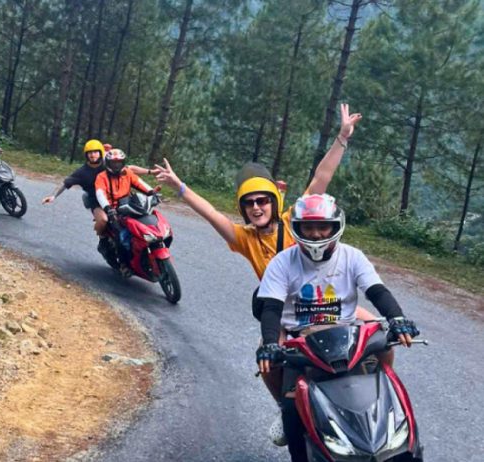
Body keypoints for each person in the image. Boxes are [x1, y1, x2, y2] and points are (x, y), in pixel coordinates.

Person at [153, 103, 367, 444]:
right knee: (266, 356)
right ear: (243, 208)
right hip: (284, 313)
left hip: (327, 300)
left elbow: (320, 180)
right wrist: (179, 186)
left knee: (377, 330)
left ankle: (378, 398)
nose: (256, 207)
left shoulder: (292, 219)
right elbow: (210, 213)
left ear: (273, 201)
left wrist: (342, 137)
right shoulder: (243, 239)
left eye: (262, 201)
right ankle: (286, 413)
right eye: (249, 203)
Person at [254, 193, 420, 462]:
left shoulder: (352, 257)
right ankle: (284, 410)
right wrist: (272, 343)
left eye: (323, 226)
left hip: (347, 334)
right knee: (272, 369)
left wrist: (397, 318)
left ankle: (383, 386)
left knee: (384, 341)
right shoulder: (282, 262)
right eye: (309, 227)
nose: (316, 234)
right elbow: (271, 308)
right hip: (300, 339)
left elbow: (377, 291)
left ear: (335, 226)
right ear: (297, 228)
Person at [42, 140, 154, 236]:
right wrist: (53, 196)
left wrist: (150, 172)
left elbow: (129, 169)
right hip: (96, 201)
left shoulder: (109, 163)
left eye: (95, 152)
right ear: (86, 155)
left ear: (100, 153)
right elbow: (65, 184)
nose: (93, 155)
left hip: (117, 196)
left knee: (137, 214)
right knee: (103, 220)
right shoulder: (82, 172)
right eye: (90, 153)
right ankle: (104, 239)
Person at [95, 148, 160, 276]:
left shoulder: (127, 173)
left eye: (119, 163)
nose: (116, 165)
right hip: (113, 211)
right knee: (121, 236)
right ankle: (124, 264)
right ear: (108, 163)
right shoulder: (101, 177)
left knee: (147, 223)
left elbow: (140, 183)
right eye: (114, 163)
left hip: (129, 206)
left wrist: (152, 192)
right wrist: (108, 209)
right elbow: (100, 193)